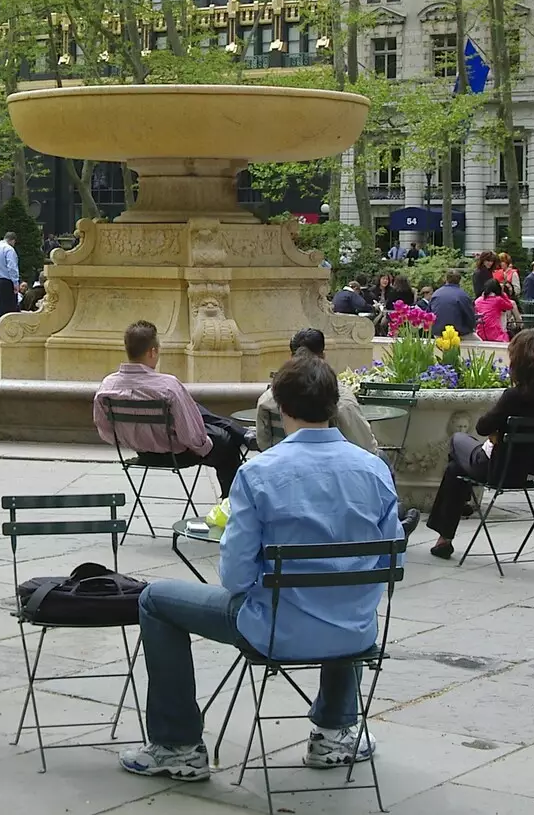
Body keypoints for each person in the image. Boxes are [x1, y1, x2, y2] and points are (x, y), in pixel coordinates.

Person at [117, 356, 403, 781]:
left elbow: (233, 578)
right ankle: (336, 730)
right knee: (343, 592)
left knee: (155, 599)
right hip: (355, 631)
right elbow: (390, 561)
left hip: (273, 630)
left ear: (281, 407)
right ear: (334, 406)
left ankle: (176, 744)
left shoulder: (259, 473)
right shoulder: (374, 469)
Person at [255, 328, 420, 535]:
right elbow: (365, 447)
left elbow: (264, 443)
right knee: (380, 460)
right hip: (341, 489)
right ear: (323, 355)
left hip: (282, 481)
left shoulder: (253, 475)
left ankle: (393, 516)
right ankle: (393, 518)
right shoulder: (341, 399)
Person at [426, 329, 534, 559]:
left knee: (457, 441)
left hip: (500, 470)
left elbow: (482, 427)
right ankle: (454, 518)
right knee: (456, 470)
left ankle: (451, 524)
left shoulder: (515, 396)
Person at [93, 321, 247, 498]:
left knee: (193, 409)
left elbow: (105, 431)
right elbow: (191, 437)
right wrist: (205, 446)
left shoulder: (107, 386)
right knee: (226, 442)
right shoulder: (168, 387)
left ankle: (238, 432)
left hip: (143, 452)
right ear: (152, 351)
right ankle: (231, 505)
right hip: (177, 454)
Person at [428, 270, 477, 338]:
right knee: (482, 345)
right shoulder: (463, 295)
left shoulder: (436, 294)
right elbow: (470, 317)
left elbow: (428, 314)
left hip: (438, 333)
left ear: (446, 279)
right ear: (459, 280)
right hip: (458, 333)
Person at [0, 231, 21, 320]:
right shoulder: (9, 249)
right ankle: (9, 326)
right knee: (10, 307)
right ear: (12, 240)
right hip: (6, 281)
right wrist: (15, 282)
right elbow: (12, 267)